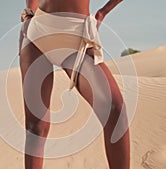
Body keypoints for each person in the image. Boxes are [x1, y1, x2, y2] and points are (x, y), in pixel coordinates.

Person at [19, 0, 130, 168]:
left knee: (115, 110)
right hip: (39, 29)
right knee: (36, 127)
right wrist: (29, 13)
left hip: (77, 34)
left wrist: (103, 12)